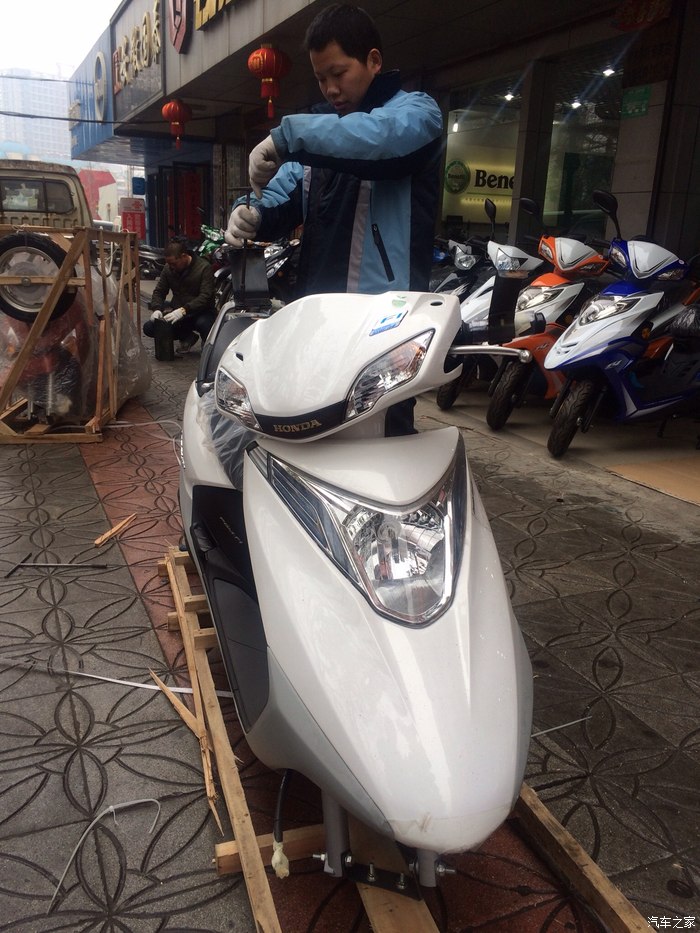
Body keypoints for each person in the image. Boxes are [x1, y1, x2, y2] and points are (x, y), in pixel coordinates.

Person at [225, 2, 443, 434]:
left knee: (381, 438)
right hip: (317, 320)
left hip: (384, 325)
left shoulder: (419, 112)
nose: (330, 89)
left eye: (338, 73)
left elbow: (381, 142)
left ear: (373, 61)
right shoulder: (318, 137)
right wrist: (248, 213)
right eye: (321, 78)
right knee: (310, 431)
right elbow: (278, 198)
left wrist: (287, 138)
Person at [143, 240, 217, 354]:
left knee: (204, 324)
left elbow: (205, 296)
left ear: (184, 256)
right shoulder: (168, 269)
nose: (171, 267)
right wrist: (156, 308)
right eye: (169, 264)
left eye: (174, 264)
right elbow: (159, 291)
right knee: (150, 327)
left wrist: (184, 310)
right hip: (178, 311)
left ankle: (207, 344)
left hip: (201, 311)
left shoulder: (204, 268)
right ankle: (187, 337)